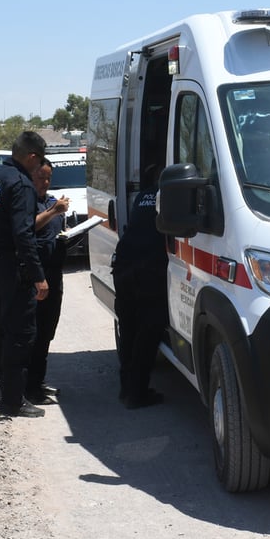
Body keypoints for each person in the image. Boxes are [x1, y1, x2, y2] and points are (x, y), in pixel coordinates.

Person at [0, 131, 49, 418]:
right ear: (32, 157)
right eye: (39, 161)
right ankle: (13, 401)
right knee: (21, 334)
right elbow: (24, 234)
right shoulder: (21, 185)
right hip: (14, 268)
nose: (39, 167)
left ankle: (7, 392)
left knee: (1, 329)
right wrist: (38, 275)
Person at [112, 165, 170, 409]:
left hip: (125, 265)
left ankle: (126, 388)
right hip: (148, 272)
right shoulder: (167, 199)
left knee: (129, 331)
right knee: (148, 335)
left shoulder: (141, 197)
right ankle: (138, 394)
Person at [26, 157, 70, 405]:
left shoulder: (52, 201)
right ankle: (29, 388)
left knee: (47, 331)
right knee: (34, 331)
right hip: (36, 275)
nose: (45, 183)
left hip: (55, 273)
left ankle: (38, 382)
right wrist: (53, 211)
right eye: (40, 178)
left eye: (48, 178)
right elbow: (27, 228)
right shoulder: (27, 202)